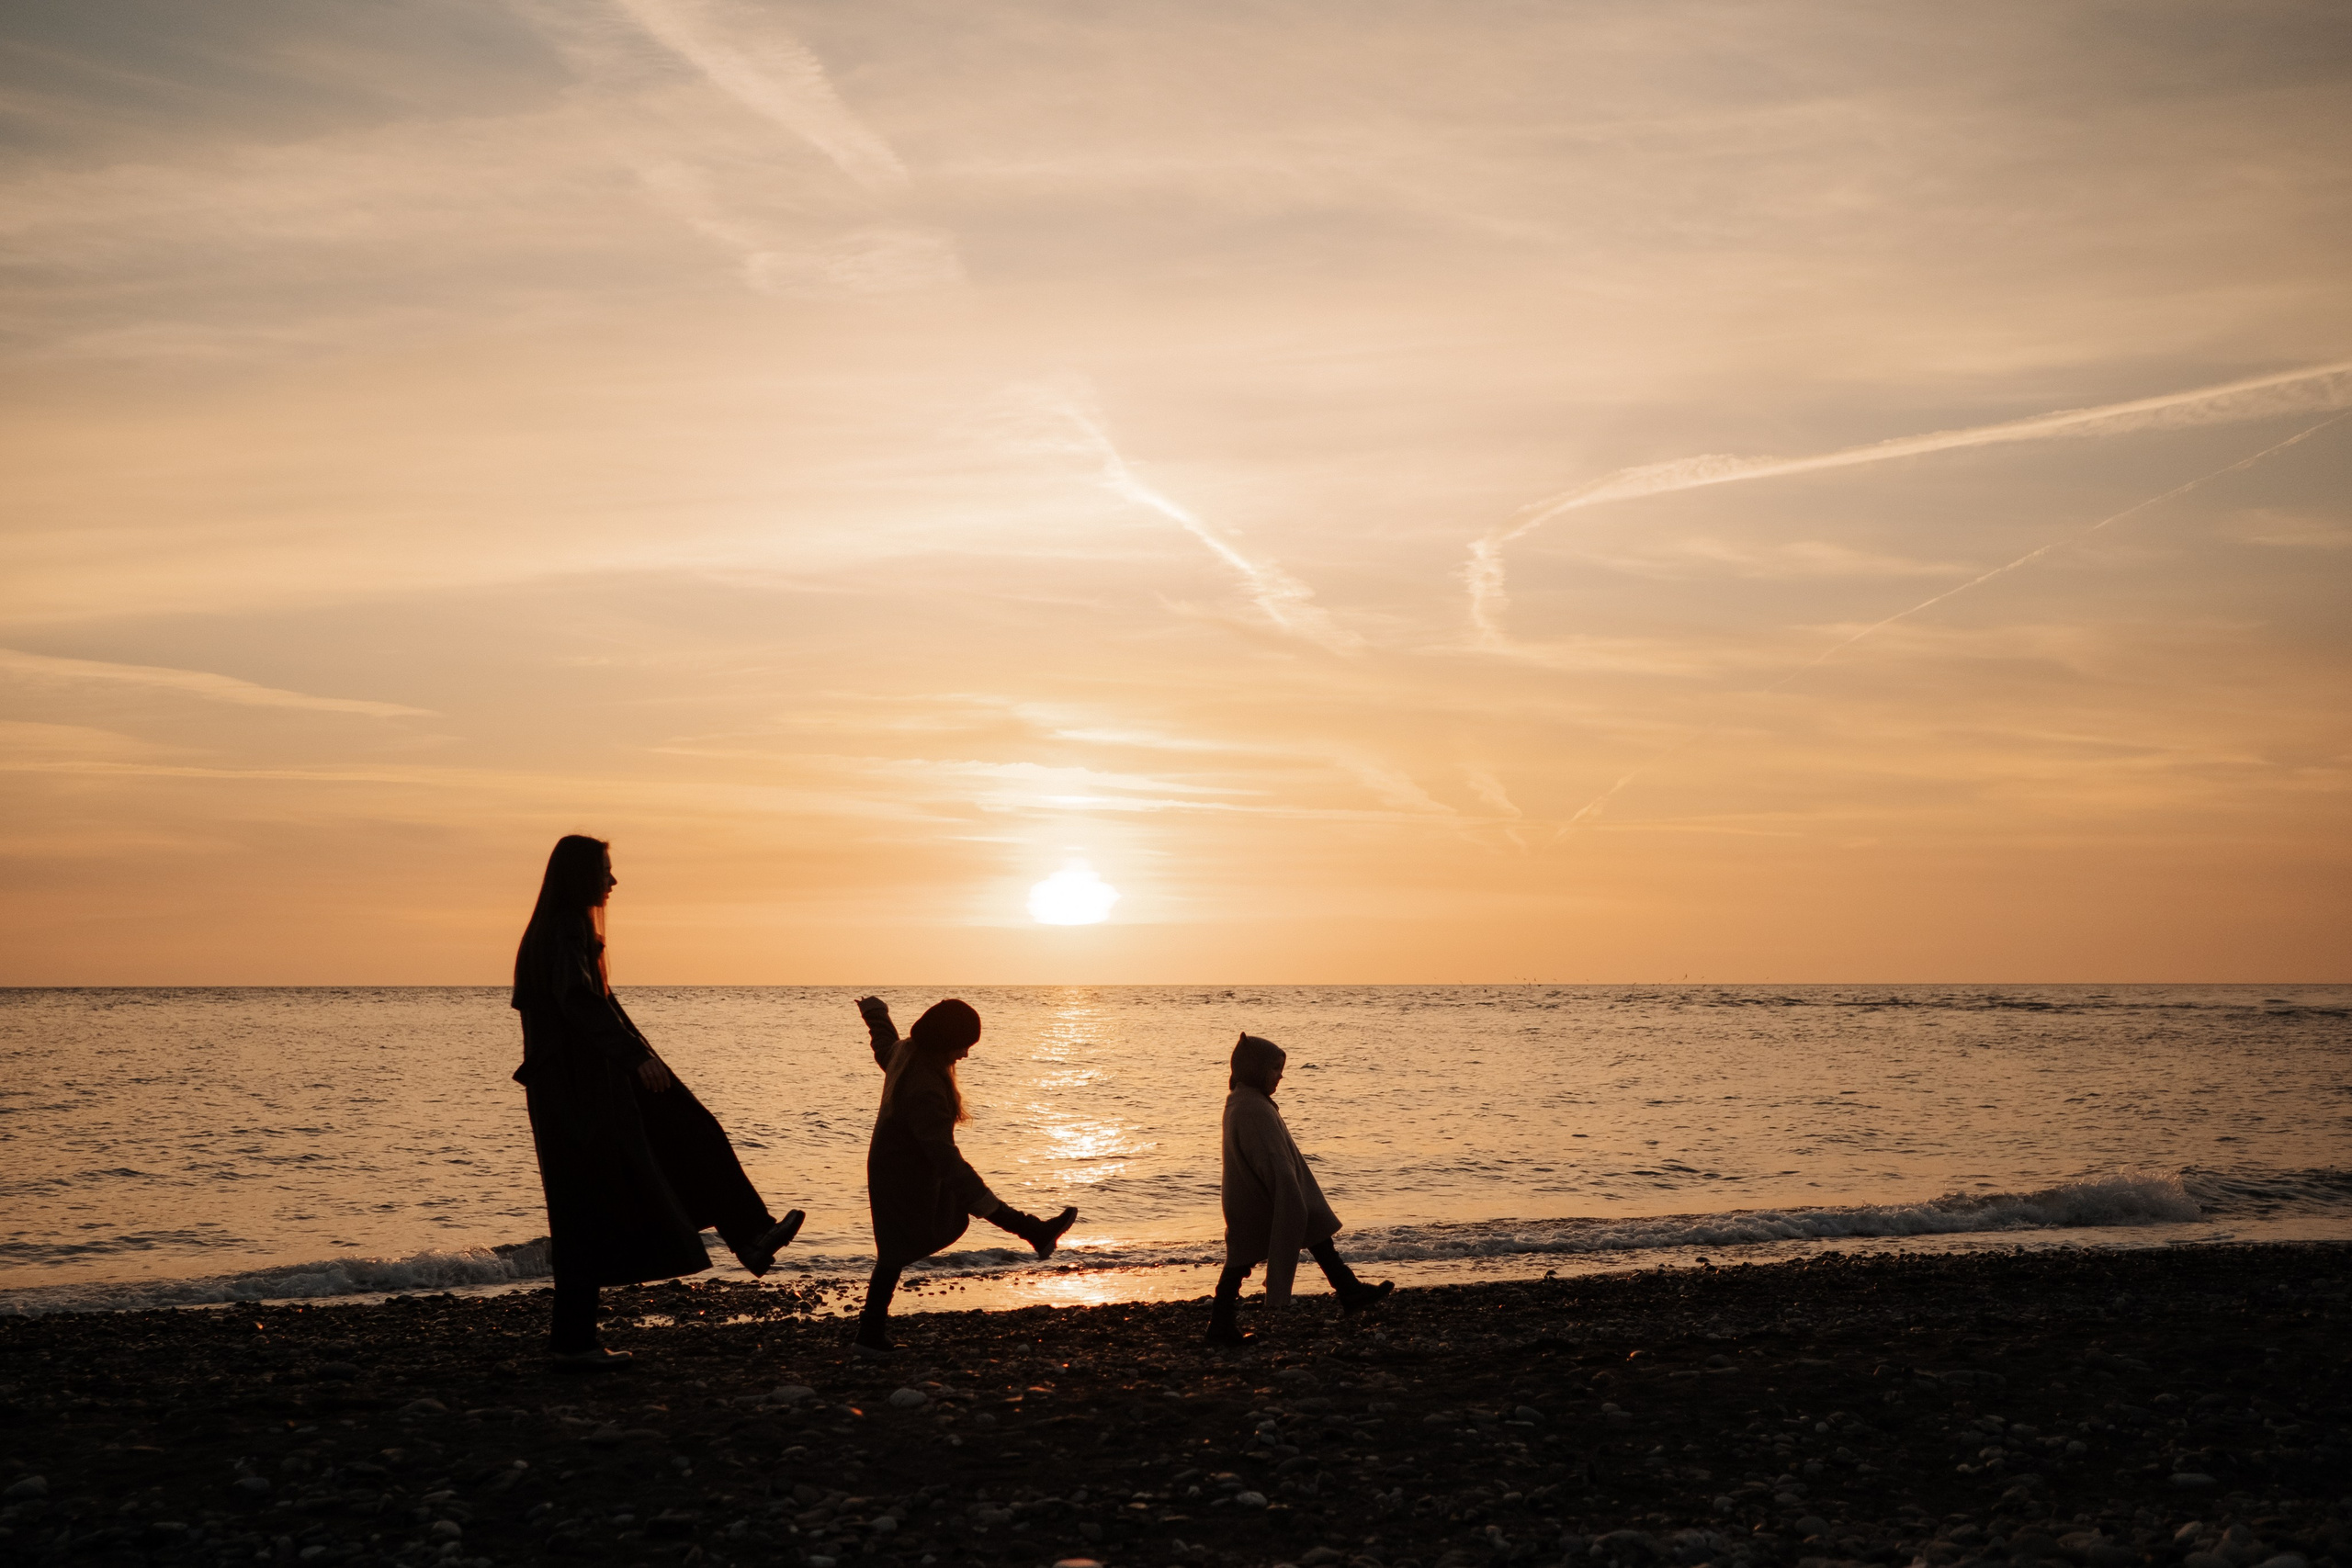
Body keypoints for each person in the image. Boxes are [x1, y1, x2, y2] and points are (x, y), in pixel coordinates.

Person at [511, 835, 804, 1368]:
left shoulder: (562, 929)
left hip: (585, 1087)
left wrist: (641, 1058)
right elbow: (576, 1001)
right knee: (590, 1208)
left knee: (683, 1134)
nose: (613, 881)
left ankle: (750, 1234)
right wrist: (633, 1058)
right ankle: (572, 1344)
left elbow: (600, 1007)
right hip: (576, 1094)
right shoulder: (563, 929)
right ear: (580, 875)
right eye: (605, 869)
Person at [852, 995, 1077, 1358]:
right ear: (944, 1043)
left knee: (892, 1251)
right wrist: (973, 1190)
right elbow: (942, 1154)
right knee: (897, 1249)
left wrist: (876, 1013)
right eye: (962, 1046)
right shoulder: (925, 1087)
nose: (965, 1055)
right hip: (906, 1175)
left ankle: (1035, 1231)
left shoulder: (907, 1054)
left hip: (895, 1167)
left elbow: (883, 1046)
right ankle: (868, 1336)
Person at [1209, 1032, 1393, 1346]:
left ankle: (1348, 1289)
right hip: (1257, 1201)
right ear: (1256, 1071)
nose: (1281, 1076)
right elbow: (1273, 1160)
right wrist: (1290, 1196)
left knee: (1312, 1228)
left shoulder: (1244, 1100)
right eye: (1275, 1069)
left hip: (1250, 1198)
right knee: (1243, 1259)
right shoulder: (1253, 1109)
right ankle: (1220, 1326)